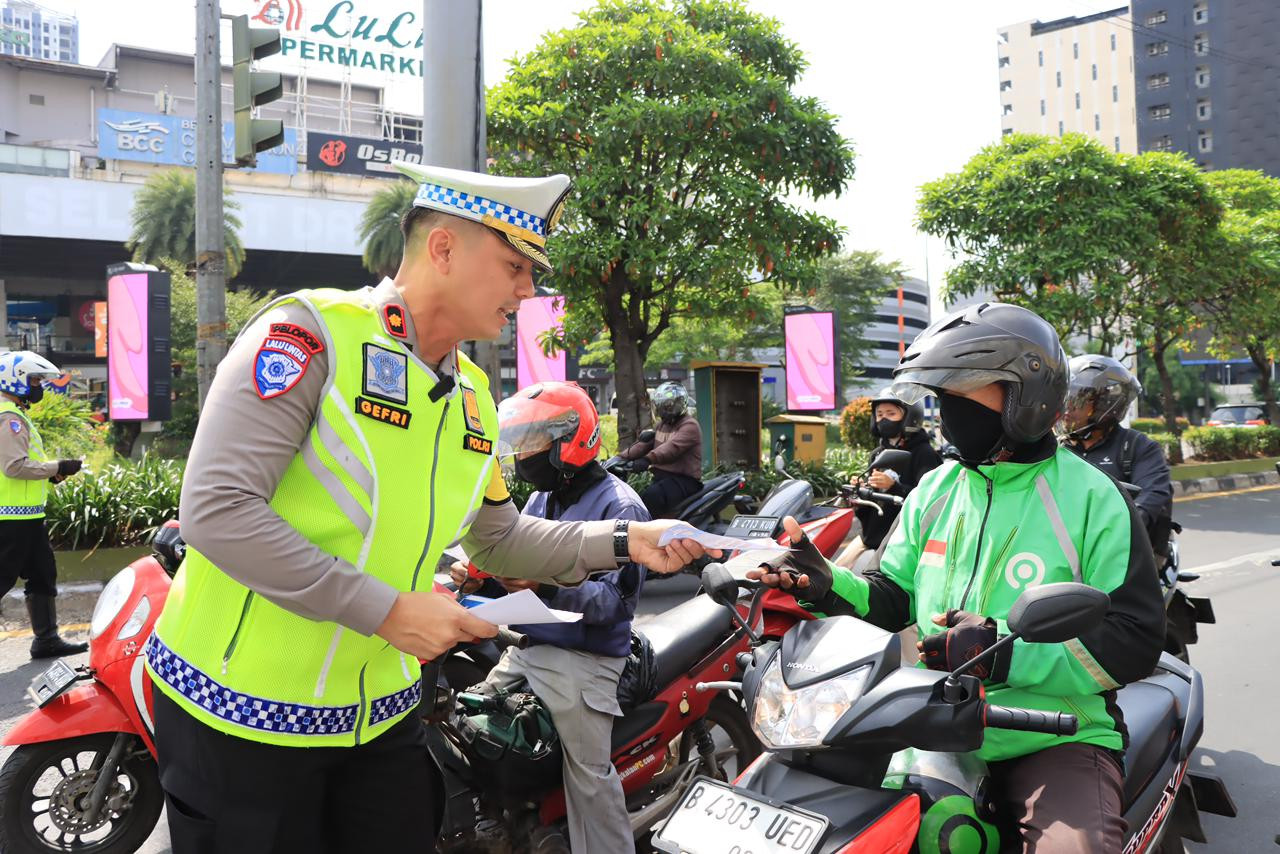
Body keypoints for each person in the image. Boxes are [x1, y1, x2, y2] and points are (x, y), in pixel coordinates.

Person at [143, 162, 709, 853]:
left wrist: (627, 539)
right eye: (513, 265)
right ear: (442, 249)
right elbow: (218, 509)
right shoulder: (309, 336)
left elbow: (499, 539)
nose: (528, 289)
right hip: (238, 720)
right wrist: (386, 610)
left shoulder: (473, 397)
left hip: (381, 719)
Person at [751, 303, 1165, 852]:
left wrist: (1005, 654)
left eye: (965, 390)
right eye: (942, 394)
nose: (948, 409)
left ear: (1027, 396)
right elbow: (893, 596)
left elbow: (1133, 638)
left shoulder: (1093, 498)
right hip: (926, 720)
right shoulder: (935, 490)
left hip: (1053, 734)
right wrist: (827, 584)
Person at [451, 380, 649, 853]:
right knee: (467, 721)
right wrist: (485, 576)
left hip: (584, 659)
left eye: (534, 443)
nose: (524, 455)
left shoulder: (620, 508)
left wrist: (543, 584)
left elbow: (612, 605)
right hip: (529, 647)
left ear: (571, 441)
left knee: (588, 779)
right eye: (520, 443)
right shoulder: (543, 500)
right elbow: (521, 568)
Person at [0, 350, 87, 659]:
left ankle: (46, 639)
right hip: (11, 519)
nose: (39, 386)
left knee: (42, 573)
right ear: (16, 379)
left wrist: (51, 476)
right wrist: (56, 465)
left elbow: (22, 468)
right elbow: (14, 467)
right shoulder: (9, 417)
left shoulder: (15, 414)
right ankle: (47, 638)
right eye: (35, 379)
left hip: (27, 516)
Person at [1057, 354, 1173, 560]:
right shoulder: (1057, 448)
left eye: (1079, 401)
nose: (1069, 408)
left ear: (1105, 404)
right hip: (1066, 546)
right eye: (1067, 399)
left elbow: (1152, 494)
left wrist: (1121, 525)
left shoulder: (1137, 447)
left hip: (1126, 550)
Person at [833, 388, 942, 570]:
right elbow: (871, 507)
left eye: (891, 413)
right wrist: (860, 494)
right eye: (879, 414)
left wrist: (895, 487)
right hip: (872, 537)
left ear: (910, 416)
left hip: (903, 540)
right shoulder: (877, 455)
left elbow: (930, 500)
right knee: (835, 574)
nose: (884, 419)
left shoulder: (924, 453)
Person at [618, 381, 703, 517]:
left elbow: (671, 448)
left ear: (679, 404)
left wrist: (647, 460)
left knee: (651, 496)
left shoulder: (689, 426)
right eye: (662, 407)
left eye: (668, 406)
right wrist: (619, 458)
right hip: (663, 479)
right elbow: (643, 444)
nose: (664, 410)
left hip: (684, 481)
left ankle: (652, 533)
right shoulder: (662, 425)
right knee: (638, 497)